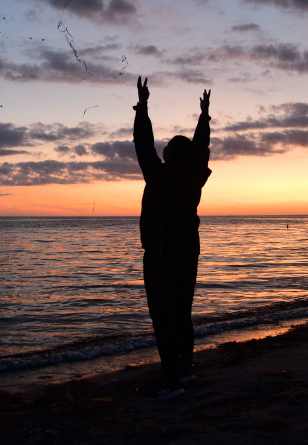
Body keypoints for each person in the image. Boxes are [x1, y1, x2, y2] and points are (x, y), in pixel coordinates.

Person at [132, 76, 211, 401]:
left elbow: (142, 143)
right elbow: (202, 146)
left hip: (162, 256)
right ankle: (186, 370)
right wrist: (204, 116)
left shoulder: (160, 175)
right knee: (181, 314)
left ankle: (171, 381)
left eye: (166, 150)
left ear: (172, 156)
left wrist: (143, 107)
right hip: (187, 253)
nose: (161, 152)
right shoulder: (195, 176)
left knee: (164, 318)